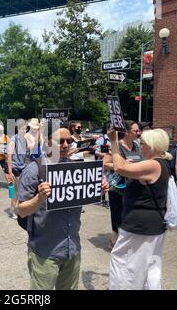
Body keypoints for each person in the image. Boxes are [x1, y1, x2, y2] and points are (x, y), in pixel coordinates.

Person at [18, 120, 108, 290]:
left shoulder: (76, 169)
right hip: (45, 252)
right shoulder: (34, 170)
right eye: (61, 141)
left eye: (69, 141)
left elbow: (83, 195)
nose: (66, 145)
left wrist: (99, 189)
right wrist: (39, 198)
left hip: (72, 249)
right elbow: (21, 211)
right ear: (47, 142)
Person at [108, 128, 171, 290]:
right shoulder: (160, 163)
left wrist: (114, 142)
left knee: (125, 267)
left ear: (151, 146)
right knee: (150, 269)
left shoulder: (153, 164)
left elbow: (120, 168)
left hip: (140, 226)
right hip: (152, 225)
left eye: (142, 143)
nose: (140, 146)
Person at [103, 120, 142, 249]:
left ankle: (122, 240)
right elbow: (105, 163)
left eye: (138, 131)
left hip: (133, 185)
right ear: (126, 132)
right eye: (135, 131)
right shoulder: (116, 146)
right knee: (118, 213)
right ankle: (115, 241)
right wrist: (122, 165)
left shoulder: (136, 146)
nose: (138, 133)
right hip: (117, 186)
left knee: (128, 213)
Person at [6, 119, 29, 220]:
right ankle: (14, 210)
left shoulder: (24, 139)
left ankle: (15, 210)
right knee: (17, 191)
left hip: (23, 167)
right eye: (23, 129)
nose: (24, 131)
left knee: (20, 190)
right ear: (18, 129)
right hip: (15, 168)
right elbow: (9, 157)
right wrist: (10, 172)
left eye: (25, 129)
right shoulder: (13, 140)